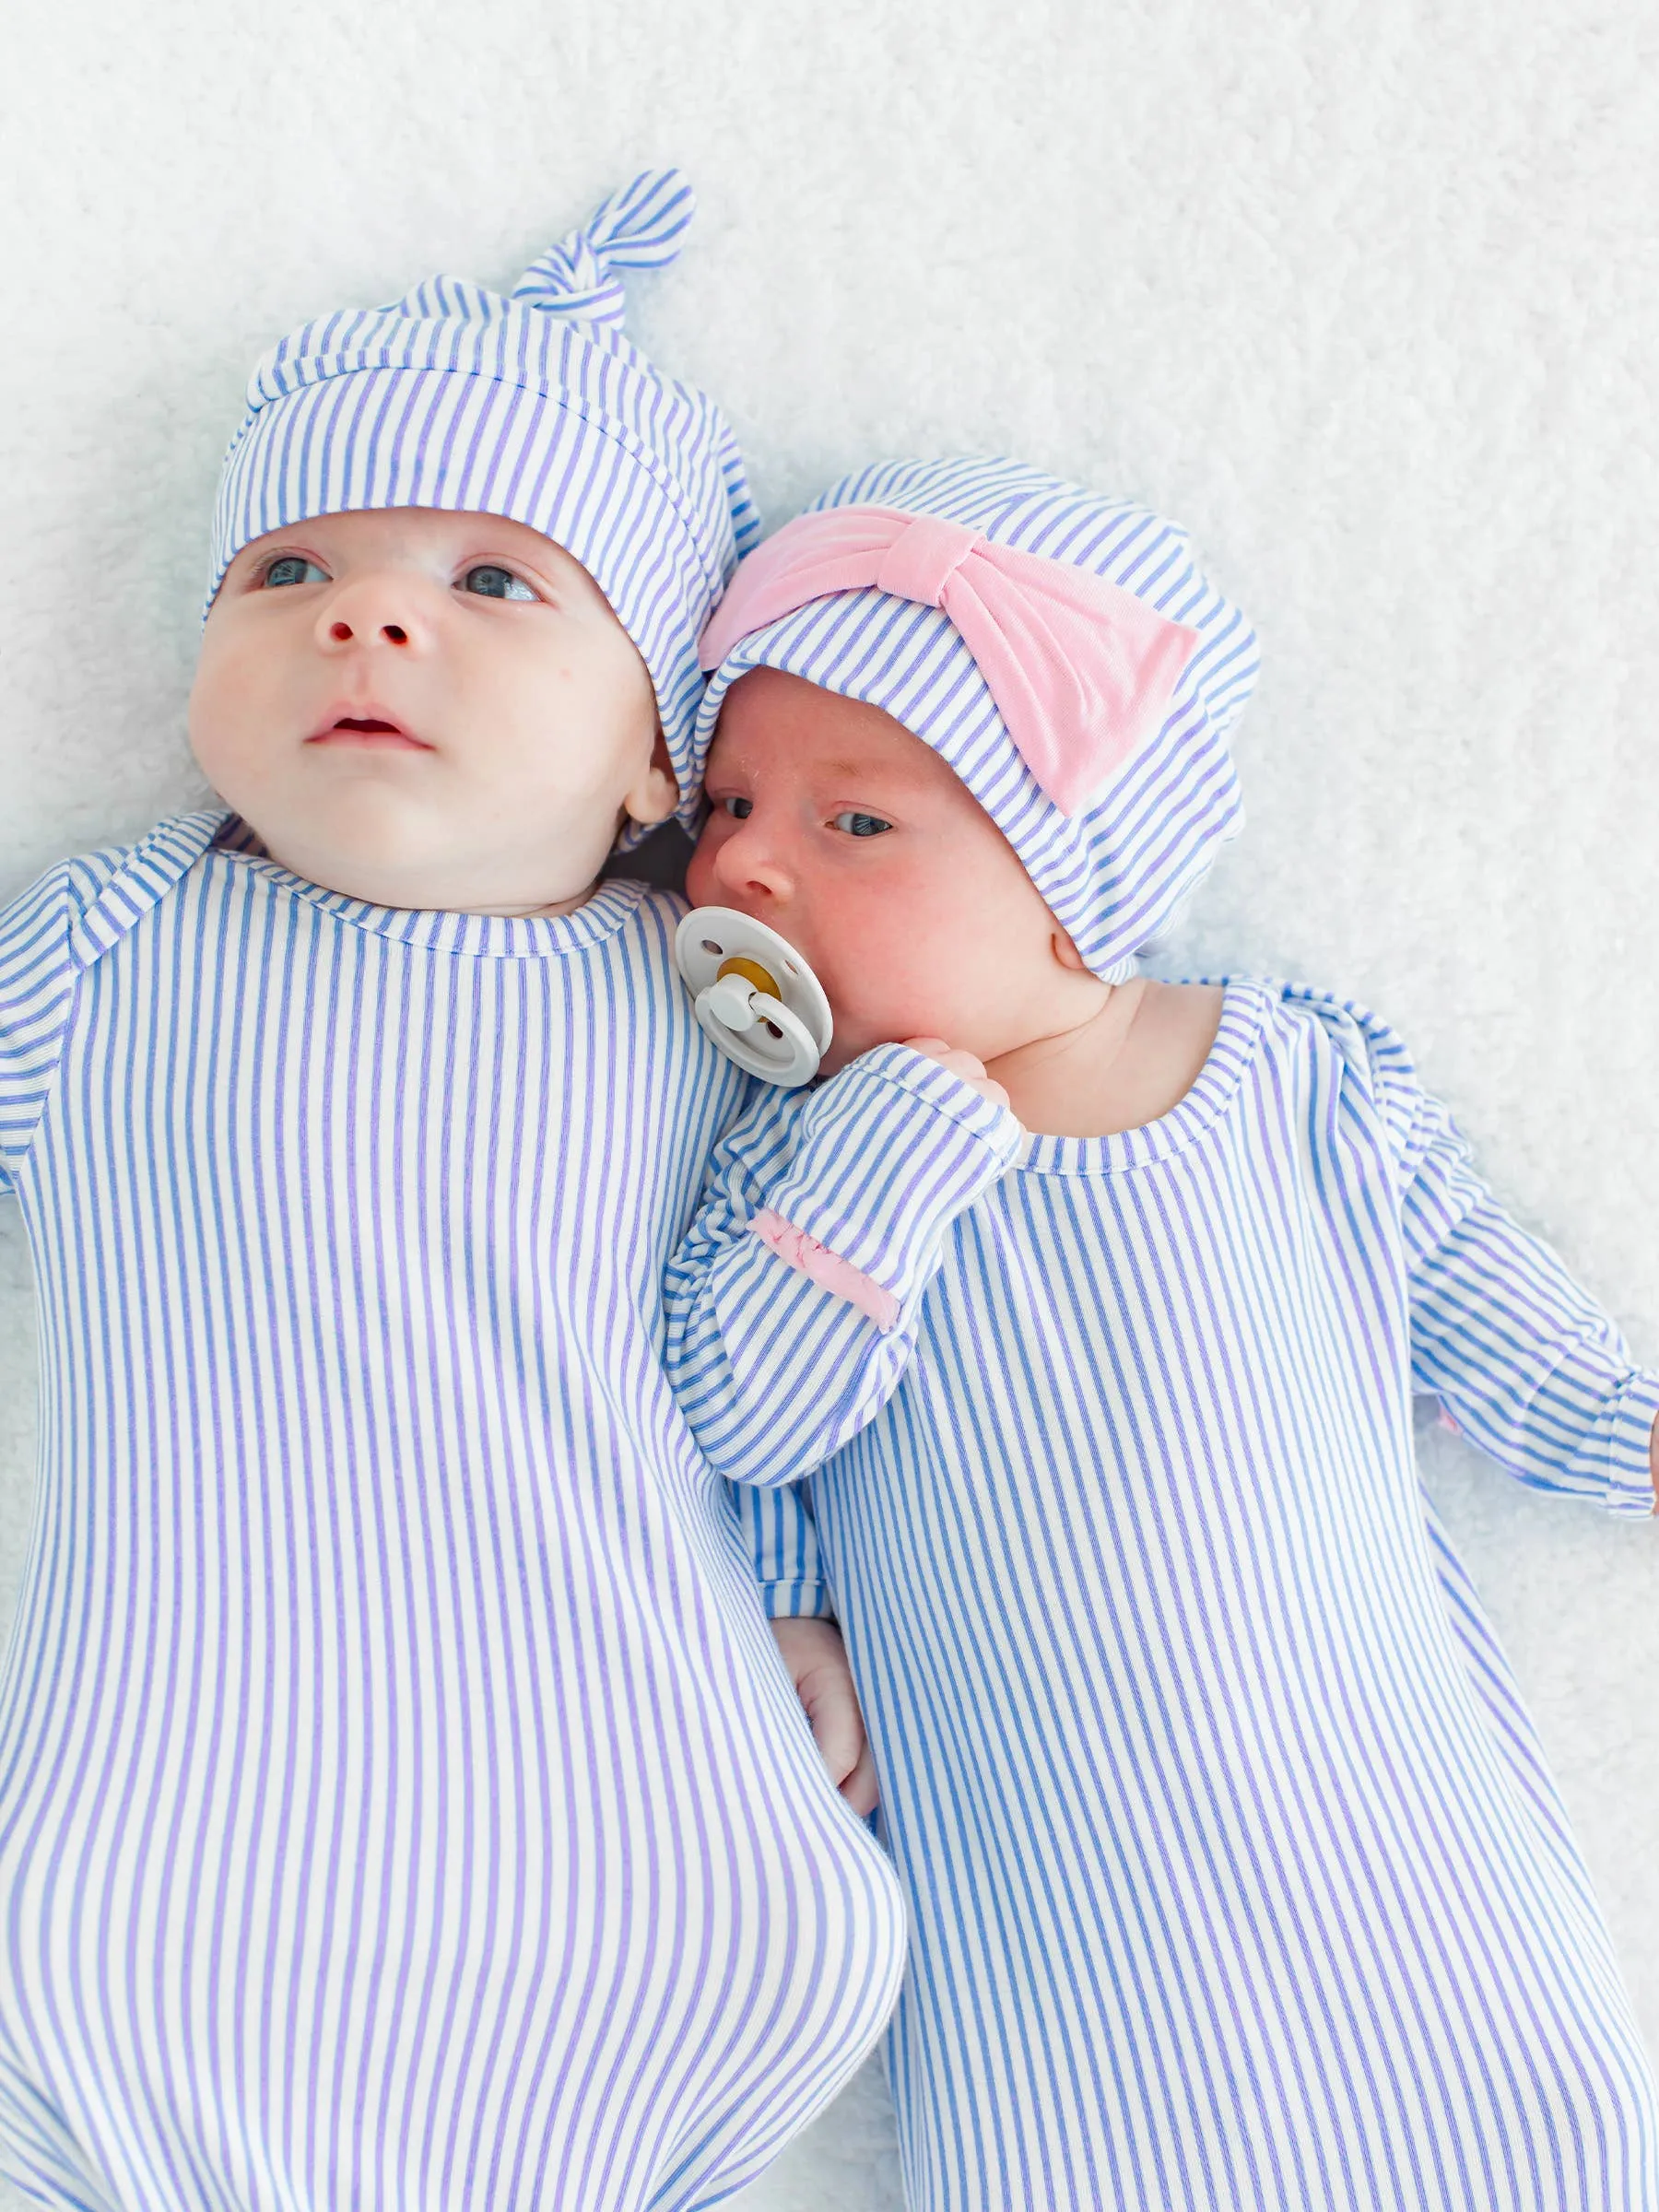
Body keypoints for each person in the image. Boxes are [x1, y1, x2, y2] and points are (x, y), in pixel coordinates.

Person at [0, 174, 902, 2212]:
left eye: (498, 581)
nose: (366, 610)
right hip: (181, 1842)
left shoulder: (716, 1015)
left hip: (650, 1841)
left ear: (659, 767)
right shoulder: (111, 948)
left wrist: (810, 1589)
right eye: (286, 563)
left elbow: (778, 1342)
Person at [665, 453, 1659, 2210]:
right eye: (726, 806)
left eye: (856, 822)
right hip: (1066, 1976)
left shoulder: (1295, 1085)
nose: (744, 860)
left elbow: (1520, 1349)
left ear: (1073, 880)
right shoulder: (801, 1171)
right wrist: (891, 1149)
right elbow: (734, 1422)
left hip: (1403, 1885)